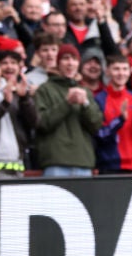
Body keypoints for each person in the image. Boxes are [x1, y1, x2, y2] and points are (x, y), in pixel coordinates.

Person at [33, 43, 104, 177]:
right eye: (66, 58)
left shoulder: (85, 91)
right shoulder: (45, 89)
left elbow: (96, 125)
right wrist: (67, 103)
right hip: (56, 161)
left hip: (83, 161)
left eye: (74, 59)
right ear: (58, 63)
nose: (70, 63)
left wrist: (85, 104)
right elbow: (42, 123)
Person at [94, 54, 132, 173]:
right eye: (116, 69)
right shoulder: (99, 100)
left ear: (129, 72)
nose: (121, 73)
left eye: (125, 69)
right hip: (110, 167)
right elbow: (100, 135)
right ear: (107, 71)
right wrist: (120, 120)